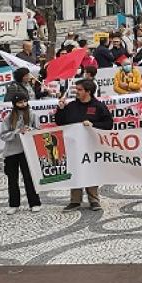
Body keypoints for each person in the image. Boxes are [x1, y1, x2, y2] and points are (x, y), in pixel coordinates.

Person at [56, 79, 114, 211]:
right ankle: (75, 200)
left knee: (90, 171)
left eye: (80, 89)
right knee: (75, 171)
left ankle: (94, 200)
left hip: (91, 146)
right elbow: (60, 123)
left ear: (88, 91)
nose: (76, 92)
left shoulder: (98, 106)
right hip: (74, 146)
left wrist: (94, 125)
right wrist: (60, 109)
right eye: (76, 89)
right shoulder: (71, 106)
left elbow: (108, 124)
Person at [0, 91, 42, 214]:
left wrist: (30, 130)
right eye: (20, 102)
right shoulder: (9, 117)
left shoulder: (32, 114)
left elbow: (38, 131)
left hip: (27, 151)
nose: (23, 104)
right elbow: (3, 136)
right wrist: (17, 131)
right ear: (15, 103)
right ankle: (14, 204)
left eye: (25, 101)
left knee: (29, 177)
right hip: (11, 152)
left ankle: (34, 203)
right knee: (12, 179)